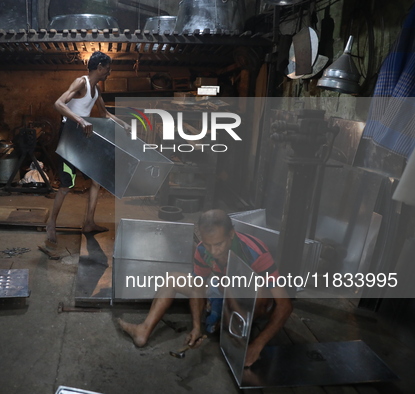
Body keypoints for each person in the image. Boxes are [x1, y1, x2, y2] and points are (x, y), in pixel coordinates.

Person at [118, 209, 293, 367]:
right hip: (221, 290)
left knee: (260, 292)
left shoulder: (255, 252)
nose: (214, 251)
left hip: (247, 300)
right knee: (172, 279)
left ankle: (236, 329)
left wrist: (257, 345)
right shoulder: (203, 251)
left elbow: (285, 305)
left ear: (231, 234)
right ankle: (143, 330)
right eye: (208, 244)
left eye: (218, 244)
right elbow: (197, 288)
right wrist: (196, 327)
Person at [46, 51, 129, 244]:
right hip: (70, 138)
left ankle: (89, 222)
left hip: (84, 137)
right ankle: (51, 223)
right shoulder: (81, 83)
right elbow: (59, 103)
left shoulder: (96, 90)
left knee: (97, 179)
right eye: (107, 69)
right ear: (99, 68)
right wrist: (80, 120)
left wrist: (123, 124)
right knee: (67, 185)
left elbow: (105, 113)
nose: (109, 73)